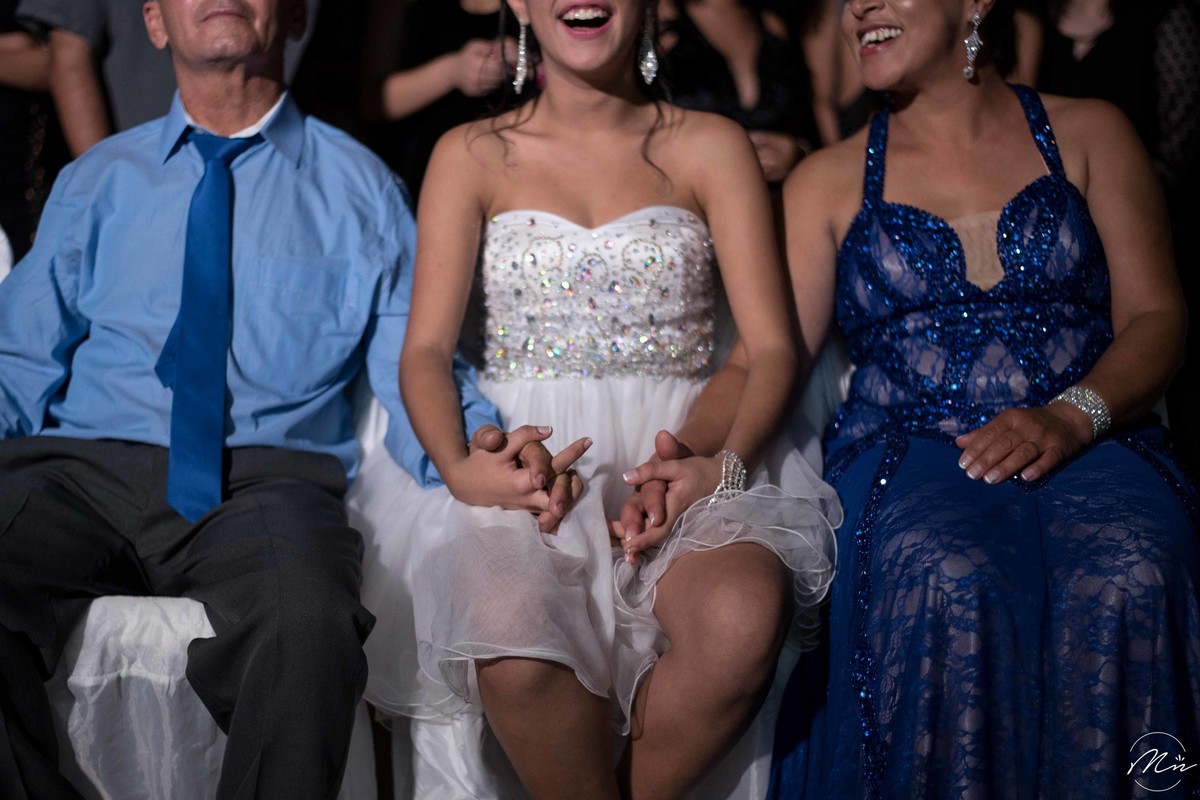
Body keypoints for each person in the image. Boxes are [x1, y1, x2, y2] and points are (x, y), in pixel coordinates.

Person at [0, 0, 580, 797]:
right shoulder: (96, 180)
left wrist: (480, 448)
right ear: (156, 22)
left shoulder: (364, 190)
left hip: (266, 486)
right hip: (81, 468)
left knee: (310, 628)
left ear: (301, 16)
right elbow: (17, 359)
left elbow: (414, 363)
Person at [346, 0, 840, 796]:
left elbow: (770, 347)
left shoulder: (710, 144)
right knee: (507, 634)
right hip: (531, 467)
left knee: (743, 620)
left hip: (687, 452)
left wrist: (721, 465)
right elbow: (427, 352)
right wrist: (464, 471)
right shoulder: (469, 152)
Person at [769, 0, 1200, 797]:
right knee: (947, 571)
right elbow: (771, 359)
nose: (858, 5)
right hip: (906, 446)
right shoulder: (824, 179)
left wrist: (1073, 416)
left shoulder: (1090, 130)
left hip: (1098, 430)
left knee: (1136, 565)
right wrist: (704, 459)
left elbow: (1158, 316)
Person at [15, 0, 318, 157]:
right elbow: (69, 55)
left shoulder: (355, 187)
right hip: (135, 154)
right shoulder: (97, 188)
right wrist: (106, 182)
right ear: (154, 21)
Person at [657, 0, 817, 184]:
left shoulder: (772, 24)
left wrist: (798, 152)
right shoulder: (662, 22)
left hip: (784, 197)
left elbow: (811, 129)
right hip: (696, 200)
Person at [376, 0, 517, 199]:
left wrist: (524, 62)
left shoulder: (533, 13)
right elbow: (374, 104)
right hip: (421, 176)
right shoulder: (417, 11)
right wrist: (453, 71)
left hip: (506, 176)